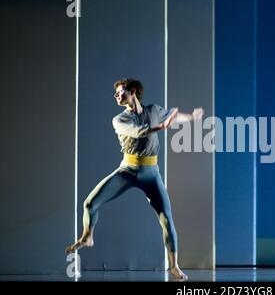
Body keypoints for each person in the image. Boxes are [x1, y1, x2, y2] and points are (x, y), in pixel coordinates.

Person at [65, 78, 203, 280]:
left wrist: (191, 117)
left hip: (151, 174)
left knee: (167, 219)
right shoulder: (119, 120)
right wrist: (161, 127)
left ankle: (174, 266)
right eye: (116, 93)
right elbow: (139, 132)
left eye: (120, 92)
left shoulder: (154, 110)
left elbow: (172, 116)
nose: (116, 96)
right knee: (89, 204)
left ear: (133, 92)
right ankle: (87, 237)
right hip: (127, 170)